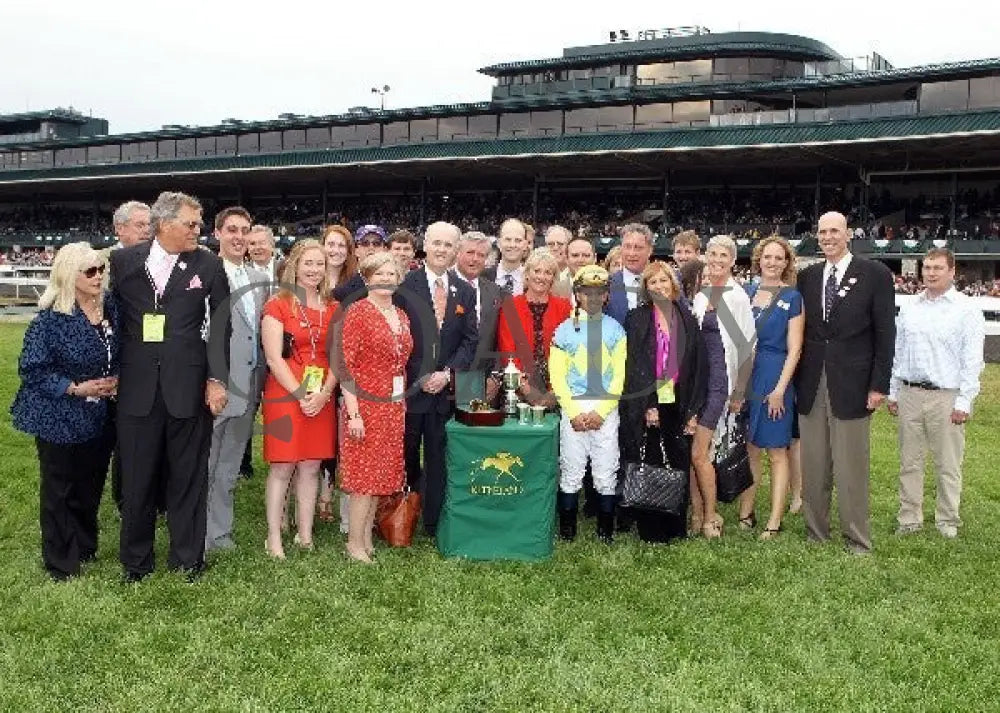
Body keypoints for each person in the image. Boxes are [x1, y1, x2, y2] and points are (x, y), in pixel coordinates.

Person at [110, 191, 230, 583]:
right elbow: (109, 316)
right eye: (191, 224)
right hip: (136, 389)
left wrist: (216, 379)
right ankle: (136, 563)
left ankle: (187, 559)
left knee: (188, 477)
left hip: (189, 389)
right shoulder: (123, 262)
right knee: (136, 479)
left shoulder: (208, 264)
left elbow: (222, 326)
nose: (198, 230)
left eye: (199, 224)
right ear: (164, 224)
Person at [11, 242, 118, 581]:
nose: (98, 276)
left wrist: (116, 379)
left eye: (101, 269)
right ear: (70, 275)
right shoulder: (50, 320)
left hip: (99, 414)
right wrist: (75, 388)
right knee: (59, 488)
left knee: (90, 483)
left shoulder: (110, 308)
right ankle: (60, 560)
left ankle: (84, 546)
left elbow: (120, 352)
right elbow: (32, 369)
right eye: (90, 271)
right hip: (57, 415)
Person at [796, 211, 895, 555]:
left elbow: (885, 333)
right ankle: (816, 532)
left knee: (852, 466)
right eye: (822, 232)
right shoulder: (807, 277)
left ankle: (856, 538)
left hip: (854, 383)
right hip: (811, 383)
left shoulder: (875, 274)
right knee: (814, 463)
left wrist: (879, 384)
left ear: (848, 234)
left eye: (834, 231)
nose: (828, 237)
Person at [888, 248, 985, 539]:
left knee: (948, 464)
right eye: (927, 268)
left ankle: (947, 519)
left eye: (937, 268)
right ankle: (909, 519)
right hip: (910, 393)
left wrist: (964, 400)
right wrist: (894, 391)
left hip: (946, 396)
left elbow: (972, 359)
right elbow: (899, 352)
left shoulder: (966, 309)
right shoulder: (910, 307)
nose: (931, 273)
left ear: (952, 272)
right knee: (909, 462)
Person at [395, 221, 478, 536]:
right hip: (410, 389)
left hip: (444, 392)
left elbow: (470, 340)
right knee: (404, 454)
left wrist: (446, 374)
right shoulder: (404, 286)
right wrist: (421, 377)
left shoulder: (465, 291)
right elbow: (396, 337)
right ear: (425, 246)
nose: (442, 249)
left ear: (456, 250)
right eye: (437, 243)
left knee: (438, 456)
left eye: (448, 245)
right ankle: (401, 515)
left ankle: (431, 521)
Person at [260, 239, 338, 559]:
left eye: (320, 264)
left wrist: (324, 393)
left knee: (311, 466)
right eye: (308, 263)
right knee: (283, 466)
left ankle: (305, 534)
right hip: (285, 393)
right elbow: (273, 358)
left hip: (320, 395)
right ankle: (274, 536)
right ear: (295, 265)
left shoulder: (333, 307)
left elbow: (339, 358)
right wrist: (299, 393)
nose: (314, 270)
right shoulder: (278, 304)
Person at [620, 260, 706, 543]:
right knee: (652, 460)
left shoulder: (686, 317)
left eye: (663, 280)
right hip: (650, 399)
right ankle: (651, 529)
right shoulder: (637, 318)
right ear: (646, 288)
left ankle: (675, 526)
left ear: (673, 283)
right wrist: (648, 404)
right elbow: (633, 365)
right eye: (653, 282)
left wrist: (693, 410)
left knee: (678, 460)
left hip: (680, 399)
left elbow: (697, 364)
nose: (659, 286)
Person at [338, 253, 413, 562]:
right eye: (378, 274)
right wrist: (354, 413)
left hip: (392, 407)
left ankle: (366, 538)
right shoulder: (358, 313)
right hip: (365, 405)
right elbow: (345, 366)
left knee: (380, 477)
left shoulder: (402, 315)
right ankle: (354, 544)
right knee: (363, 479)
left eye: (390, 274)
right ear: (367, 278)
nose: (385, 279)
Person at [204, 207, 268, 554]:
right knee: (205, 464)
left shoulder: (257, 278)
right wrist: (208, 379)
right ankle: (198, 533)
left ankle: (220, 533)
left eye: (245, 230)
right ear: (217, 233)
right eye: (232, 229)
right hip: (216, 385)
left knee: (229, 466)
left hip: (249, 385)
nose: (239, 237)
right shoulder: (204, 273)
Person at [550, 265, 626, 542]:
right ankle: (567, 530)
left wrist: (602, 411)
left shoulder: (616, 330)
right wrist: (572, 412)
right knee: (571, 468)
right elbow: (558, 377)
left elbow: (618, 377)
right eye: (586, 292)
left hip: (605, 408)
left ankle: (605, 531)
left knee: (605, 471)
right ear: (577, 294)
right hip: (573, 407)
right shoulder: (563, 331)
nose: (592, 298)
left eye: (599, 292)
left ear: (606, 296)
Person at [686, 236, 755, 538]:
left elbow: (747, 349)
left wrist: (739, 391)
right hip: (698, 383)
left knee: (700, 452)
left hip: (720, 383)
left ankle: (711, 516)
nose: (716, 260)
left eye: (723, 255)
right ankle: (696, 512)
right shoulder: (702, 295)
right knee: (694, 450)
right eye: (712, 254)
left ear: (732, 261)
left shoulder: (736, 297)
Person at [741, 236, 804, 540]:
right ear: (759, 259)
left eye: (779, 258)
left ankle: (774, 521)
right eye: (768, 257)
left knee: (777, 450)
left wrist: (780, 389)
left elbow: (795, 349)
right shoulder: (747, 292)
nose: (772, 262)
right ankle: (746, 512)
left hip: (775, 376)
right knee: (751, 447)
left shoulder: (792, 297)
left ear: (787, 262)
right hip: (749, 376)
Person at [105, 200, 151, 512]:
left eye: (150, 225)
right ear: (120, 229)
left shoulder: (158, 260)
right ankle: (125, 497)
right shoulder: (102, 263)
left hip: (150, 359)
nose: (147, 231)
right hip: (116, 362)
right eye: (140, 225)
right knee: (124, 435)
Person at [496, 247, 572, 409]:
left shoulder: (564, 308)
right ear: (527, 274)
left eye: (548, 272)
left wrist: (554, 391)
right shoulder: (510, 306)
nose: (541, 277)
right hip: (518, 392)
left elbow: (569, 352)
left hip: (556, 391)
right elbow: (507, 351)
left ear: (553, 278)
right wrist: (526, 389)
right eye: (537, 271)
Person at [317, 224, 358, 523]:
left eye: (341, 245)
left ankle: (331, 492)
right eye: (330, 244)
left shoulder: (355, 285)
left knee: (340, 434)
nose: (335, 250)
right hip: (313, 364)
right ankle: (317, 493)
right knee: (316, 430)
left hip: (344, 367)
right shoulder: (309, 277)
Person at [451, 231, 505, 404]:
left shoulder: (495, 292)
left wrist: (495, 377)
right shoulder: (441, 285)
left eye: (481, 255)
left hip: (484, 382)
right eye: (470, 252)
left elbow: (500, 339)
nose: (475, 259)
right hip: (446, 382)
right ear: (458, 253)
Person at [606, 223, 654, 326]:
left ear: (650, 250)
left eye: (638, 248)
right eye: (627, 247)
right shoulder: (606, 285)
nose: (631, 253)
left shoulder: (666, 283)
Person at [332, 224, 387, 309]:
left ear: (385, 250)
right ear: (356, 250)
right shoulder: (341, 292)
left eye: (377, 243)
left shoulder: (396, 288)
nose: (371, 248)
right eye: (365, 243)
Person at [484, 218, 528, 296]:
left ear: (525, 245)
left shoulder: (532, 280)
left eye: (518, 240)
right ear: (499, 243)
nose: (512, 245)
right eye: (508, 239)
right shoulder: (482, 277)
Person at [565, 237, 597, 307]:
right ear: (566, 259)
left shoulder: (608, 288)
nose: (580, 260)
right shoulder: (555, 290)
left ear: (595, 258)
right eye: (575, 255)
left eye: (586, 255)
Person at [544, 225, 573, 297]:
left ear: (569, 246)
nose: (555, 248)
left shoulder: (576, 273)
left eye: (560, 244)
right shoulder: (538, 275)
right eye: (551, 244)